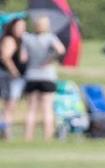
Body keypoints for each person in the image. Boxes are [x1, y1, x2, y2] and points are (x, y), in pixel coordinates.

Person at [21, 14, 64, 142]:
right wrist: (50, 59)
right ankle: (48, 137)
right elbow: (61, 50)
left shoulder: (27, 38)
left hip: (31, 75)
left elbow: (23, 58)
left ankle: (28, 137)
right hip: (47, 76)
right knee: (47, 108)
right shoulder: (50, 37)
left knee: (31, 109)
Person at [0, 16, 27, 139]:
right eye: (19, 27)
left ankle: (6, 131)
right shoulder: (9, 39)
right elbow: (5, 57)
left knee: (10, 106)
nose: (22, 29)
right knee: (9, 106)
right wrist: (14, 72)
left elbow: (22, 59)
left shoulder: (19, 40)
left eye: (23, 27)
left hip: (12, 78)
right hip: (7, 77)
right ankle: (6, 132)